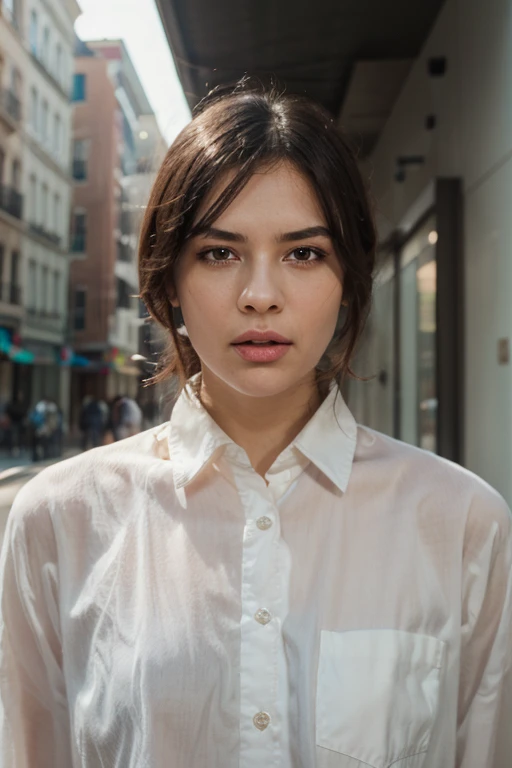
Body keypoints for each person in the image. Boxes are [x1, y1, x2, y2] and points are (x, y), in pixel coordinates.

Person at [0, 80, 510, 768]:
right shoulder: (58, 520)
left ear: (349, 278)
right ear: (169, 278)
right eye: (219, 252)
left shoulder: (461, 522)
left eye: (304, 253)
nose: (260, 296)